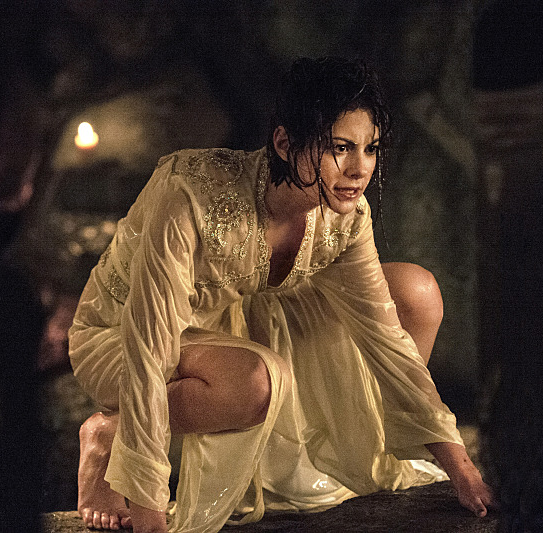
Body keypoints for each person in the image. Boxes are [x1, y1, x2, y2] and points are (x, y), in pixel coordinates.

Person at [69, 57, 496, 533]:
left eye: (370, 148)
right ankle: (109, 435)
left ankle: (350, 452)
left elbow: (386, 339)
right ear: (284, 144)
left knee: (415, 293)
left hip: (236, 319)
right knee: (255, 381)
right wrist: (148, 514)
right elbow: (150, 346)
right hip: (121, 335)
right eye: (340, 148)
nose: (359, 169)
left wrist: (461, 468)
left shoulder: (347, 217)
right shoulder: (188, 192)